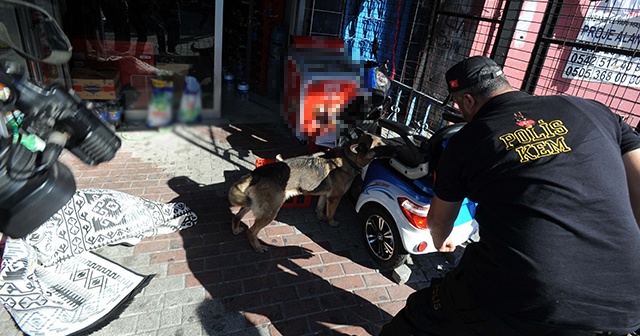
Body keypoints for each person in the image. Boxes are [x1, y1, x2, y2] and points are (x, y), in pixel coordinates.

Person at [380, 56, 640, 336]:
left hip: (528, 294)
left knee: (418, 318)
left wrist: (442, 241)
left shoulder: (467, 141)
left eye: (457, 104)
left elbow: (440, 220)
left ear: (467, 101)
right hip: (628, 299)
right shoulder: (592, 109)